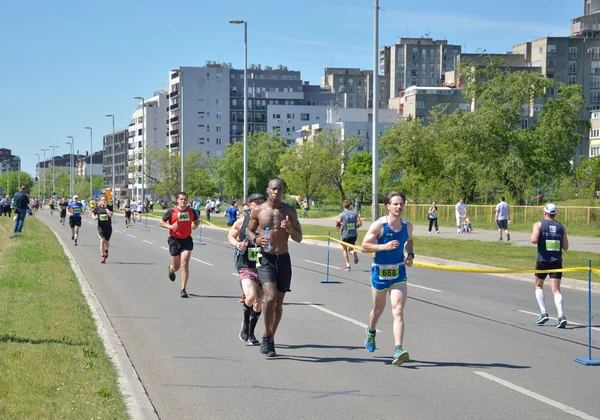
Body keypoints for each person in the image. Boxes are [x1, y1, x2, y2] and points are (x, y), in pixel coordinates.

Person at [247, 179, 302, 357]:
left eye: (279, 189)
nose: (276, 191)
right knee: (269, 298)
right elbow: (249, 230)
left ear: (283, 191)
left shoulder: (290, 211)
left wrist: (290, 230)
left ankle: (270, 336)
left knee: (278, 303)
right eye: (273, 188)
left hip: (283, 258)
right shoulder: (258, 210)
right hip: (266, 258)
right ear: (268, 190)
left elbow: (299, 237)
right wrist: (256, 240)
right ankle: (266, 335)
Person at [361, 191, 414, 366]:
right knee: (378, 309)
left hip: (398, 272)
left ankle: (398, 348)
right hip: (380, 272)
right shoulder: (379, 226)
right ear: (388, 206)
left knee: (398, 310)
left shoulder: (407, 226)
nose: (399, 207)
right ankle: (371, 331)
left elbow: (409, 240)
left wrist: (410, 255)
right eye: (395, 204)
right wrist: (384, 246)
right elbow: (364, 247)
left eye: (401, 204)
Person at [228, 193, 267, 345]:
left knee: (258, 303)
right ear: (250, 205)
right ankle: (245, 324)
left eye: (261, 202)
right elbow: (230, 236)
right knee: (250, 297)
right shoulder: (241, 222)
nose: (258, 205)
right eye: (255, 203)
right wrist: (237, 244)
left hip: (263, 267)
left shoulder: (269, 222)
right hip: (246, 266)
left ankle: (251, 332)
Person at [530, 203, 569, 329]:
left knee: (538, 285)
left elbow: (534, 239)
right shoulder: (561, 227)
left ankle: (543, 312)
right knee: (556, 290)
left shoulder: (539, 224)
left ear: (544, 212)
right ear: (555, 213)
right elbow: (566, 247)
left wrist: (539, 236)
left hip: (543, 260)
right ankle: (561, 315)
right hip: (556, 261)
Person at [160, 192, 200, 298]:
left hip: (186, 240)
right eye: (181, 199)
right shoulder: (171, 211)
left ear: (187, 201)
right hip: (174, 240)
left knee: (185, 263)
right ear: (177, 200)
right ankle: (171, 269)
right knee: (176, 267)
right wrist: (171, 226)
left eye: (185, 199)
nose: (183, 201)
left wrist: (195, 225)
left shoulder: (191, 212)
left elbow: (197, 221)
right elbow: (161, 222)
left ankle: (183, 289)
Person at [336, 199, 362, 271]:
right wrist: (354, 227)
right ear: (349, 206)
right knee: (350, 249)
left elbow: (337, 226)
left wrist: (341, 225)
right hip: (353, 235)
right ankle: (353, 253)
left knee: (344, 249)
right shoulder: (354, 214)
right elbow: (360, 224)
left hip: (345, 234)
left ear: (343, 206)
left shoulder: (341, 215)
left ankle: (348, 266)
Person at [91, 196, 113, 263]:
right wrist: (94, 217)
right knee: (102, 240)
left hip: (108, 227)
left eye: (105, 200)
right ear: (100, 201)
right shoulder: (98, 208)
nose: (104, 201)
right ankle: (102, 256)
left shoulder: (109, 207)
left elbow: (110, 215)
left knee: (106, 242)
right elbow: (93, 213)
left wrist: (106, 208)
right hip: (100, 227)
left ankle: (106, 250)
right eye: (102, 200)